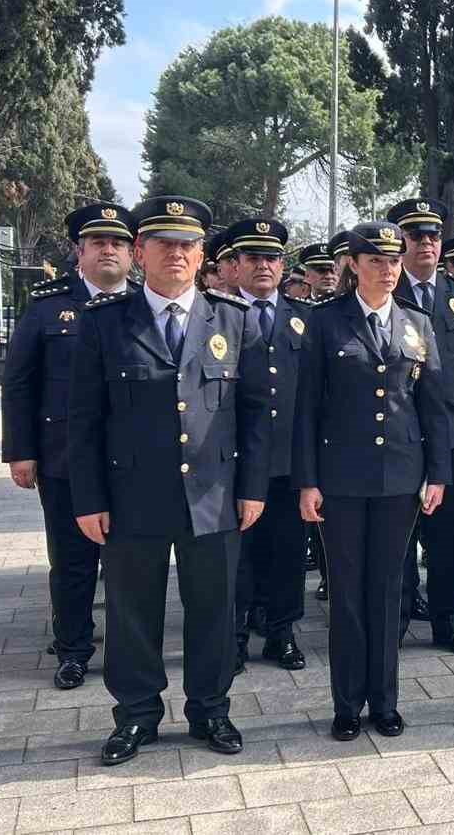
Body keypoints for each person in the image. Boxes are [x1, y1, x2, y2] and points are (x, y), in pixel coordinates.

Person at [67, 195, 273, 766]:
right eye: (164, 243)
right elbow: (83, 421)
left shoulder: (234, 319)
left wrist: (253, 488)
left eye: (187, 244)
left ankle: (211, 709)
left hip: (214, 495)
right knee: (134, 610)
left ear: (202, 252)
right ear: (140, 252)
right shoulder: (105, 324)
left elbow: (257, 414)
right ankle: (136, 715)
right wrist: (87, 499)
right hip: (132, 497)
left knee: (214, 608)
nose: (176, 253)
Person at [294, 220, 451, 741]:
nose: (387, 269)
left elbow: (433, 405)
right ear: (353, 266)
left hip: (401, 478)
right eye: (376, 260)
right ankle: (346, 703)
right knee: (347, 593)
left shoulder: (416, 323)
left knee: (388, 591)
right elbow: (307, 409)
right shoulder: (326, 321)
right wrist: (307, 481)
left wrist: (438, 474)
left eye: (394, 260)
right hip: (340, 479)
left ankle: (384, 701)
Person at [3, 202, 137, 690]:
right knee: (74, 561)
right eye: (99, 242)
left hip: (132, 461)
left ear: (133, 253)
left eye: (119, 242)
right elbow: (19, 383)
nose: (109, 250)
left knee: (128, 563)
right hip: (63, 457)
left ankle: (127, 649)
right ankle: (74, 648)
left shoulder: (146, 306)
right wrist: (21, 450)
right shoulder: (47, 306)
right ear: (79, 251)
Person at [387, 197, 454, 657]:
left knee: (449, 538)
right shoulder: (385, 294)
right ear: (399, 241)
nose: (425, 242)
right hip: (400, 437)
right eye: (415, 235)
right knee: (400, 538)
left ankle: (448, 623)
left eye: (432, 235)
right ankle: (399, 617)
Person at [221, 218, 312, 675]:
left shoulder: (304, 316)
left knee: (288, 553)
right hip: (233, 461)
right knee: (238, 558)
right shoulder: (216, 315)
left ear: (282, 265)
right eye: (252, 257)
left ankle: (282, 633)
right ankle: (234, 637)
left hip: (290, 461)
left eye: (271, 257)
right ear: (234, 265)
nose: (263, 265)